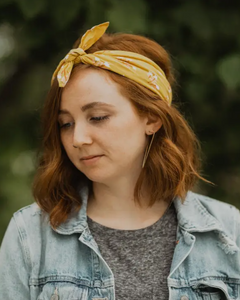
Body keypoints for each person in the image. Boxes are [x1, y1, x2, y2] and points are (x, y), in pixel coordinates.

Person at [0, 21, 239, 300]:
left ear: (152, 118)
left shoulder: (228, 232)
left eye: (98, 117)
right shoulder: (30, 235)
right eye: (65, 124)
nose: (78, 138)